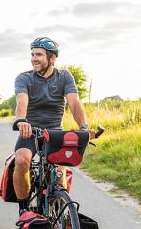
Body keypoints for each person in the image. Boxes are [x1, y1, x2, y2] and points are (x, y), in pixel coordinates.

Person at [12, 37, 93, 214]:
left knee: (59, 174)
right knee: (22, 160)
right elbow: (21, 102)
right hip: (30, 131)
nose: (34, 58)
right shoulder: (24, 78)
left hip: (55, 132)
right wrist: (22, 121)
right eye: (32, 54)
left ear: (52, 59)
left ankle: (58, 211)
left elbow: (74, 103)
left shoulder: (64, 77)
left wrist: (84, 127)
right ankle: (23, 208)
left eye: (39, 54)